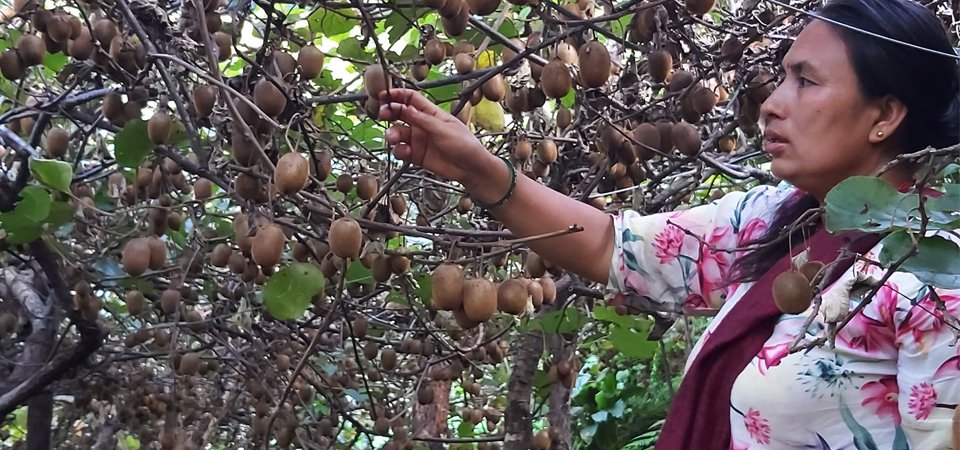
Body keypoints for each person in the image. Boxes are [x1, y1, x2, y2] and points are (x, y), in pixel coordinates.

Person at [377, 0, 960, 447]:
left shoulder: (936, 279)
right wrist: (475, 167)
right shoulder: (781, 217)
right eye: (781, 78)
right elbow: (614, 244)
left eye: (805, 81)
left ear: (884, 115)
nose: (773, 103)